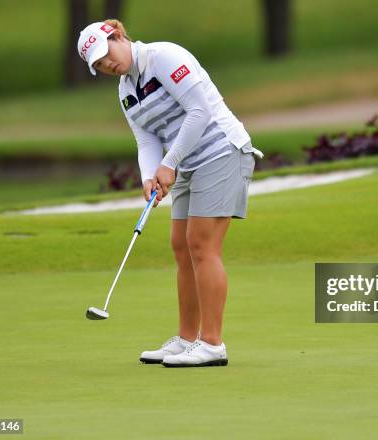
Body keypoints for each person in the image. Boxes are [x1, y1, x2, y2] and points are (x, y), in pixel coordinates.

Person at [77, 19, 263, 367]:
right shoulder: (126, 90)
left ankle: (212, 344)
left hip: (222, 151)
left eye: (107, 55)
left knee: (201, 244)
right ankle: (186, 338)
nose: (107, 65)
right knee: (181, 245)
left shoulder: (163, 57)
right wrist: (150, 175)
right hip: (188, 165)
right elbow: (146, 138)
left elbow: (199, 111)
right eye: (99, 66)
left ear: (117, 36)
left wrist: (170, 162)